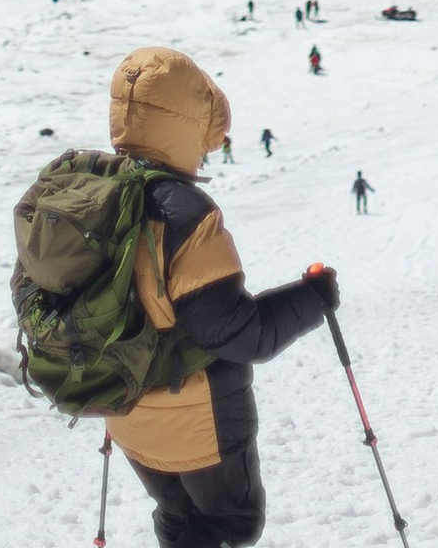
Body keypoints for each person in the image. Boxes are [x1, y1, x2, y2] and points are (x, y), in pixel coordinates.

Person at [97, 46, 335, 548]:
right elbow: (239, 334)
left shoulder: (92, 190)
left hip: (121, 405)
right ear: (185, 120)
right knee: (231, 525)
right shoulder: (183, 212)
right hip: (193, 415)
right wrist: (314, 297)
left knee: (178, 512)